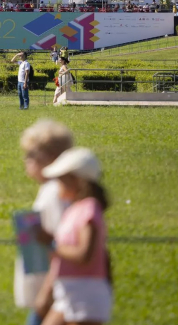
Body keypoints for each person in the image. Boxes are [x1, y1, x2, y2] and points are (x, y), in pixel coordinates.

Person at [40, 148, 112, 325]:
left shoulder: (89, 208)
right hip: (67, 292)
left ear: (77, 180)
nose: (56, 183)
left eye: (61, 178)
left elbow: (84, 255)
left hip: (86, 295)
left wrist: (52, 243)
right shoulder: (73, 209)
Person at [15, 120, 74, 325]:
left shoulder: (54, 193)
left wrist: (45, 296)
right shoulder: (53, 189)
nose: (26, 160)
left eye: (30, 154)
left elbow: (60, 246)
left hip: (54, 292)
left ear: (50, 157)